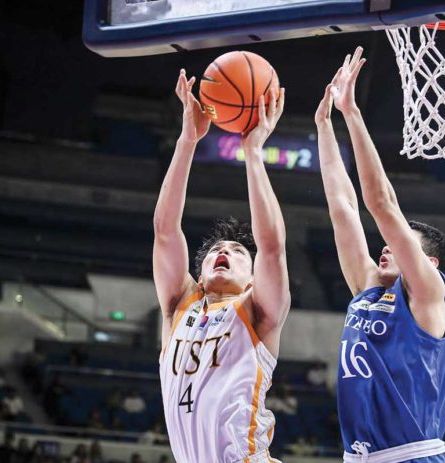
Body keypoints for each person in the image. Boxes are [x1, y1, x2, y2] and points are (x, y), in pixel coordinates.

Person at [316, 46, 445, 462]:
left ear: (427, 262)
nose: (385, 246)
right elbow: (343, 208)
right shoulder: (368, 289)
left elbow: (381, 204)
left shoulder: (430, 294)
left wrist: (351, 114)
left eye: (399, 243)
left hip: (410, 456)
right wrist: (324, 126)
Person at [155, 69, 290, 462]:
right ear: (199, 276)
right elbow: (165, 231)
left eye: (237, 252)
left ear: (253, 280)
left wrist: (254, 151)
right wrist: (187, 140)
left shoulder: (257, 312)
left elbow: (272, 246)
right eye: (216, 250)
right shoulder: (179, 307)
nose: (224, 252)